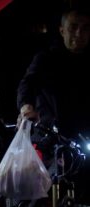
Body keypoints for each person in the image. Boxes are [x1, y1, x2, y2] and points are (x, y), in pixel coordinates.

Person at [17, 7, 90, 141]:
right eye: (73, 27)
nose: (79, 33)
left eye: (85, 28)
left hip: (84, 135)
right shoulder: (46, 58)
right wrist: (25, 105)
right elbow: (26, 83)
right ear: (62, 30)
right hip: (51, 135)